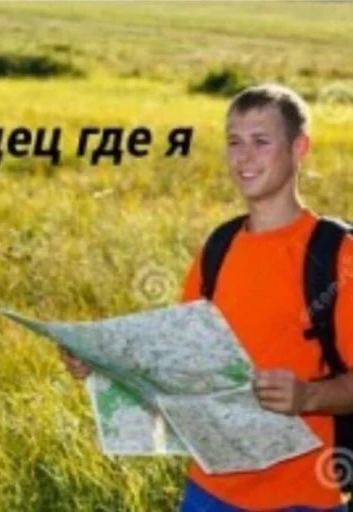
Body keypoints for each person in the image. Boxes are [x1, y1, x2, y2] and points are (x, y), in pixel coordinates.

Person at [60, 83, 353, 511]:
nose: (243, 158)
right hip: (206, 491)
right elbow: (178, 365)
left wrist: (308, 396)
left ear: (299, 148)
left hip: (302, 498)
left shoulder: (337, 255)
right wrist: (101, 366)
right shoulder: (218, 248)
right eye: (234, 142)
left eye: (261, 141)